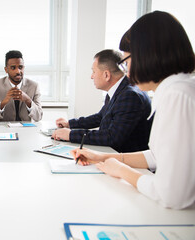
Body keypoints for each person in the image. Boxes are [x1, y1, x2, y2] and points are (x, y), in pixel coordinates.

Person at [71, 11, 195, 209]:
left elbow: (172, 195)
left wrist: (121, 170)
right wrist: (103, 157)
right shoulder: (174, 90)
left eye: (126, 62)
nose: (126, 71)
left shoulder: (177, 95)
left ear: (147, 55)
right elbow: (156, 156)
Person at [52, 49, 152, 153]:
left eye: (94, 71)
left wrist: (70, 134)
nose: (91, 76)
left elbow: (112, 137)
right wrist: (70, 124)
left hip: (125, 160)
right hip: (112, 155)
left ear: (106, 75)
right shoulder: (120, 90)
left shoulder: (130, 96)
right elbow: (100, 117)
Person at [0, 50, 43, 121]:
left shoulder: (34, 86)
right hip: (4, 129)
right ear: (6, 70)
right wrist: (4, 102)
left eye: (20, 67)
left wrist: (28, 100)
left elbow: (39, 117)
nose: (18, 71)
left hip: (26, 130)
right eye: (13, 68)